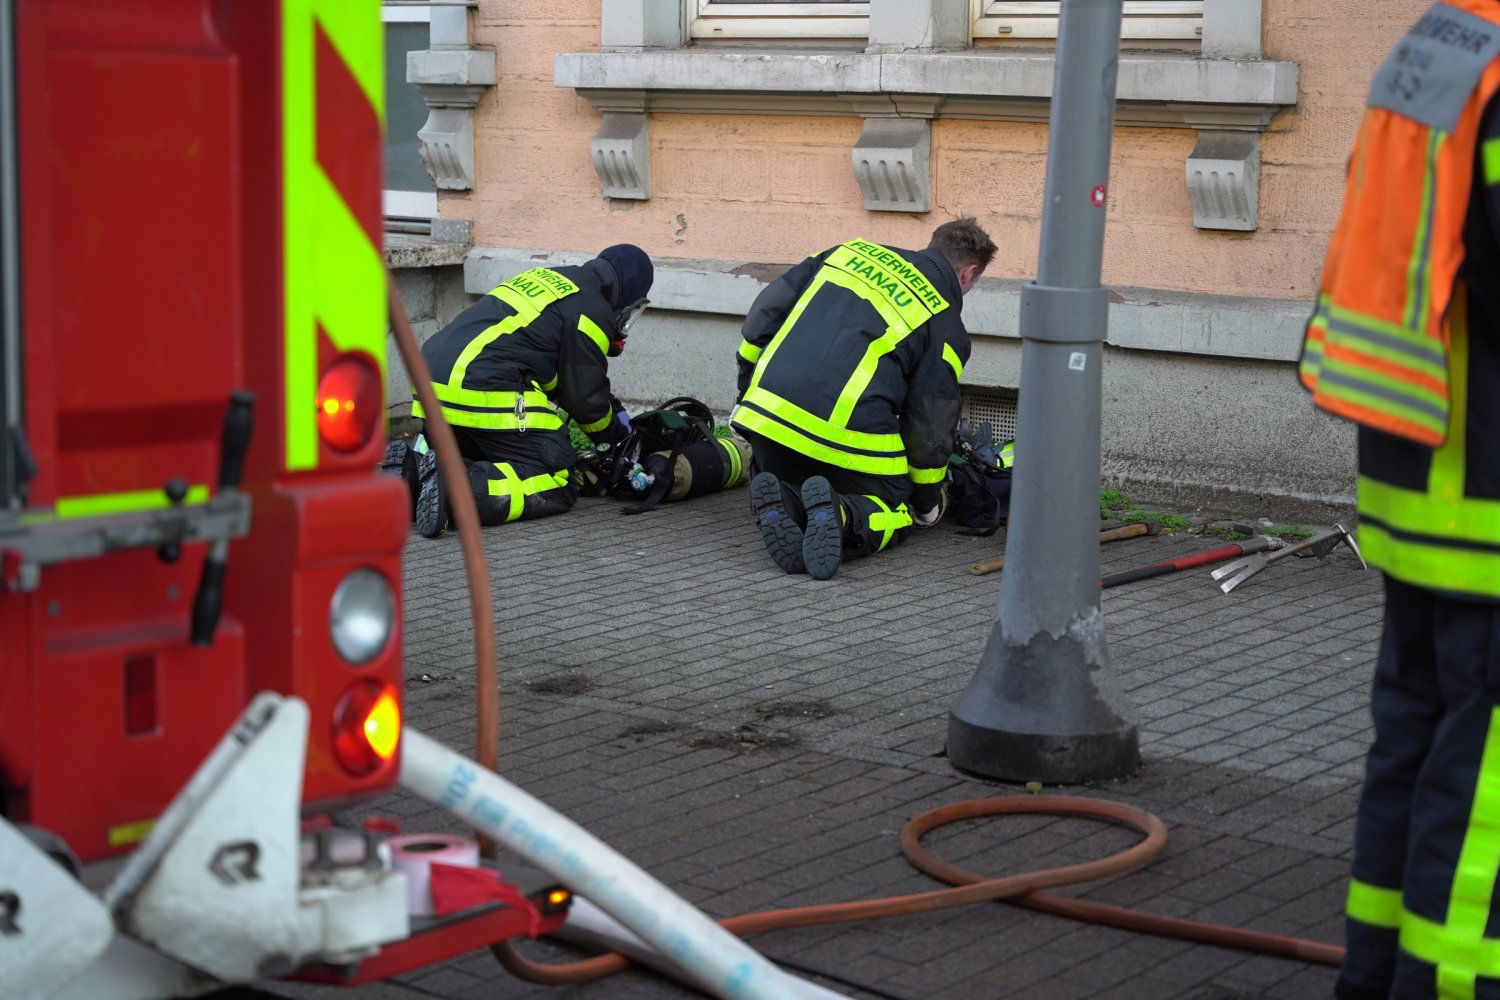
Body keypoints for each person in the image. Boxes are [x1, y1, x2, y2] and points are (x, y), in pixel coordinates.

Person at [1295, 3, 1500, 995]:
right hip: (1488, 504)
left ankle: (1375, 974)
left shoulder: (1447, 43)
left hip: (1422, 487)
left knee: (1413, 749)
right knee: (1486, 795)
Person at [731, 219, 996, 579]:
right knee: (896, 508)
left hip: (766, 421)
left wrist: (746, 395)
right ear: (968, 274)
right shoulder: (944, 321)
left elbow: (764, 316)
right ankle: (841, 517)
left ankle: (789, 502)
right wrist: (926, 502)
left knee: (795, 476)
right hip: (842, 437)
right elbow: (929, 424)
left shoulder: (845, 253)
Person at [407, 245, 652, 538]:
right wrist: (615, 439)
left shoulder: (551, 279)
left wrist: (610, 409)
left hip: (432, 379)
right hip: (481, 384)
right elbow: (584, 399)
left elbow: (560, 375)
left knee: (495, 461)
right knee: (556, 476)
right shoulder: (594, 309)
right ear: (629, 300)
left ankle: (408, 474)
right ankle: (456, 491)